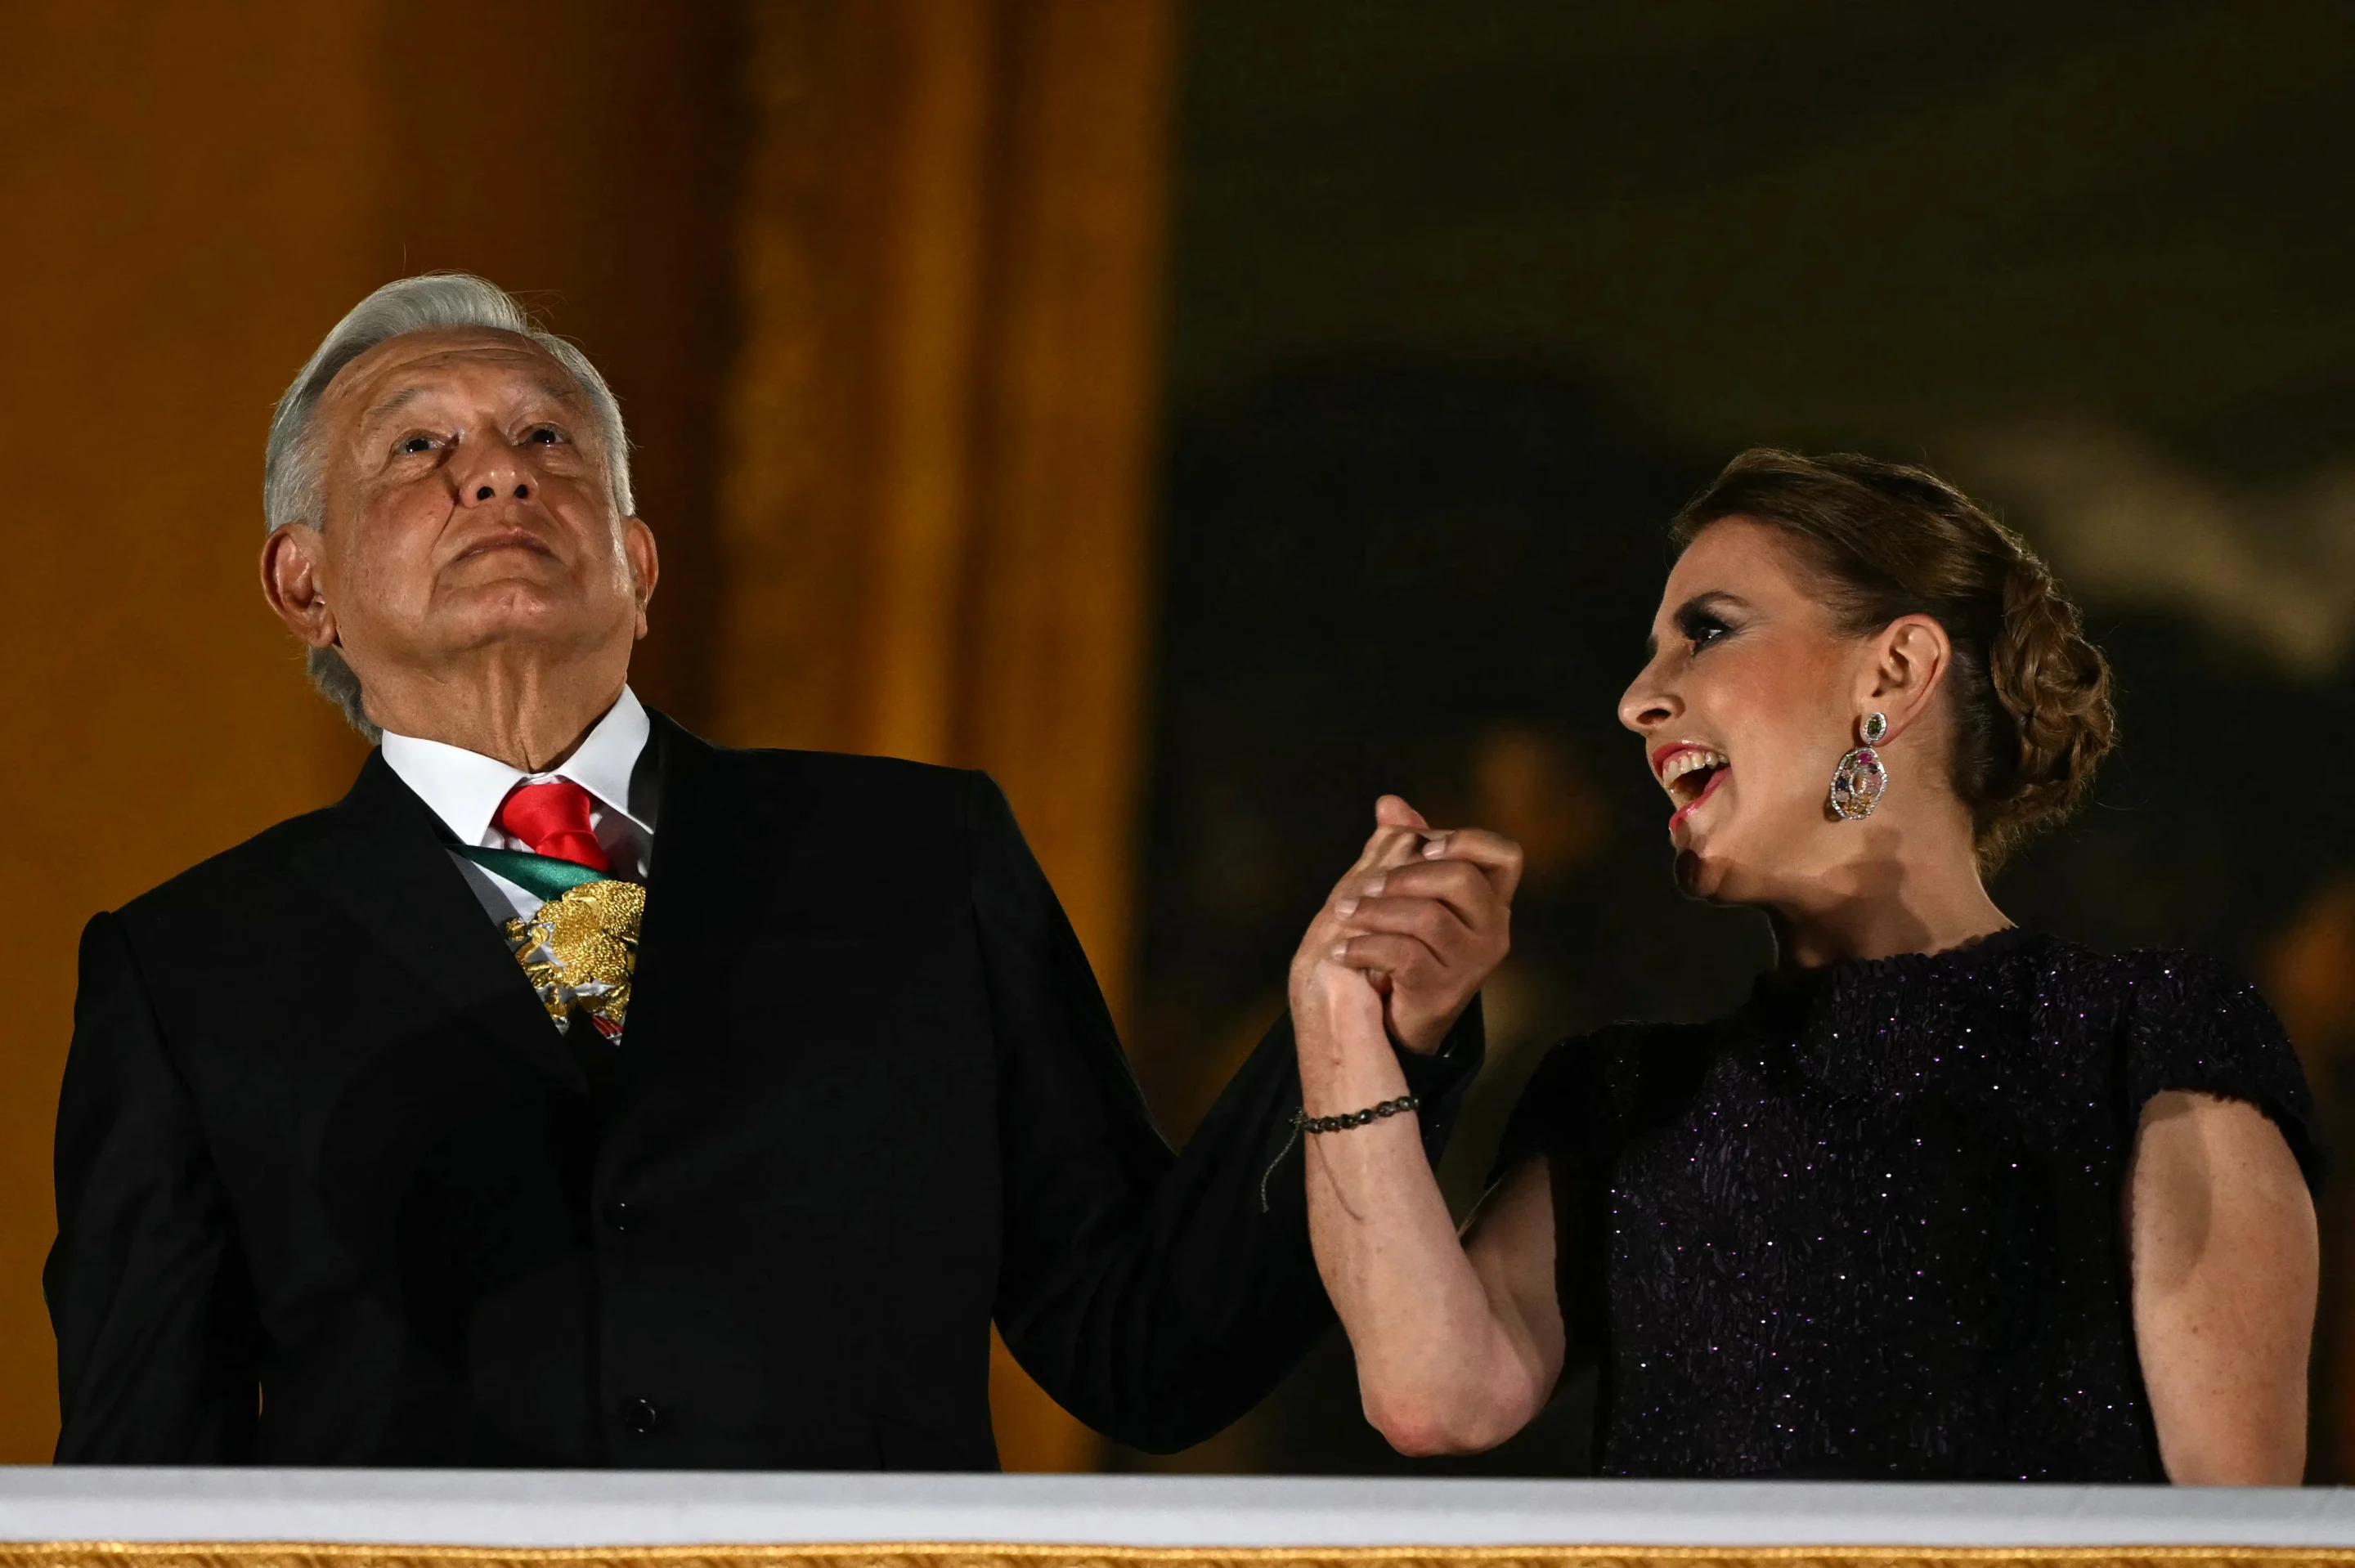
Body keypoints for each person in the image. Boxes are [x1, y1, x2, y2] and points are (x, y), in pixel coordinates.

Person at [43, 273, 1509, 1467]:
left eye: (550, 440)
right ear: (303, 582)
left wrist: (1358, 1031)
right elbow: (140, 1477)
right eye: (416, 448)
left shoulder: (921, 860)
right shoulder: (187, 970)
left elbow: (1144, 1345)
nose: (497, 469)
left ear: (636, 559)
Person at [1294, 449, 2323, 1483]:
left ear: (1893, 671)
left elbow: (2234, 1525)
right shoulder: (1621, 1094)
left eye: (1706, 631)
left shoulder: (2144, 1037)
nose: (1638, 699)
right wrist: (1341, 1016)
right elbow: (1432, 1396)